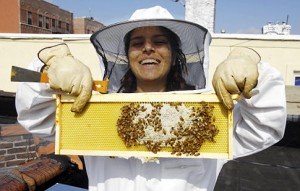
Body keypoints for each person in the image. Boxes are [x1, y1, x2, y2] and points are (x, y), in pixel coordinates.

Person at [16, 6, 286, 191]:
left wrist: (250, 61)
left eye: (159, 41)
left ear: (174, 53)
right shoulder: (94, 110)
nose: (147, 48)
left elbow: (264, 124)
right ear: (127, 56)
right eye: (137, 43)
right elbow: (33, 112)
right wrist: (49, 63)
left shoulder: (208, 112)